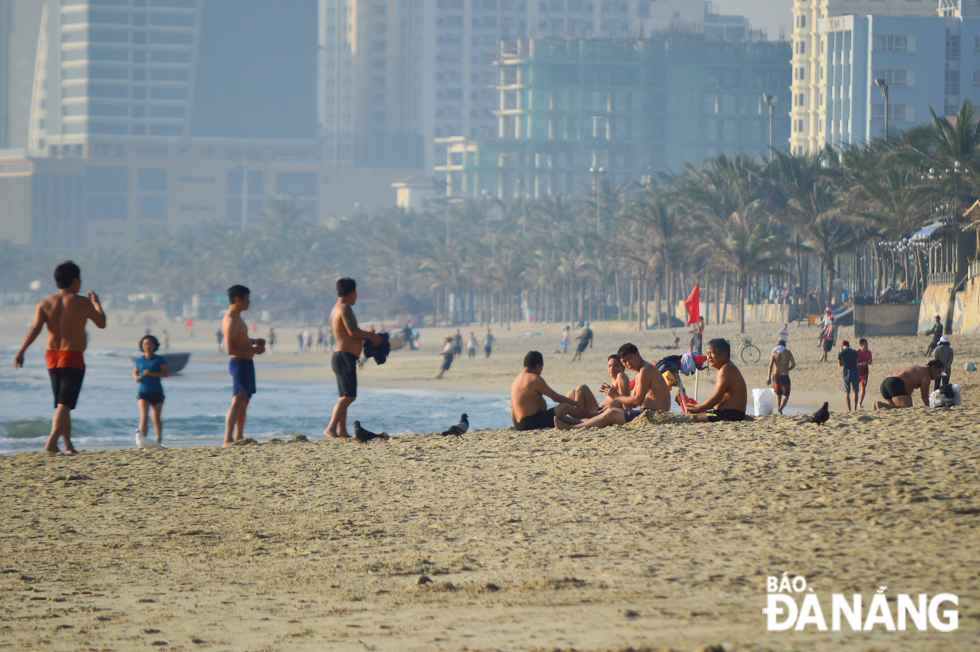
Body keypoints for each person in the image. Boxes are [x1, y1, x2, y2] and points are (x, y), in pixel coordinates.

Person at [14, 261, 107, 453]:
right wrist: (97, 304)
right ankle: (52, 442)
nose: (80, 282)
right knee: (65, 404)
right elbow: (101, 323)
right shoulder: (82, 302)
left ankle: (68, 445)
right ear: (74, 281)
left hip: (52, 357)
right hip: (72, 356)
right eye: (79, 278)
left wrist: (21, 352)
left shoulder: (45, 303)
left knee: (63, 403)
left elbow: (35, 329)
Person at [555, 342, 671, 430]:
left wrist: (615, 396)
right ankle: (574, 422)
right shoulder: (642, 371)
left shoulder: (646, 370)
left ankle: (573, 427)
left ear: (637, 354)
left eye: (629, 359)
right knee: (609, 411)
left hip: (654, 414)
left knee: (610, 412)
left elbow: (636, 401)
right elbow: (635, 401)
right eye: (624, 361)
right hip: (647, 412)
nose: (628, 363)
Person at [325, 278, 382, 440]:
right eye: (356, 294)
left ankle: (341, 430)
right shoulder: (345, 308)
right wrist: (371, 336)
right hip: (344, 357)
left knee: (344, 396)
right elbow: (353, 332)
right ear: (352, 293)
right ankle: (330, 429)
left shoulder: (336, 308)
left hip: (341, 357)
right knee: (348, 397)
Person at [223, 285, 265, 446]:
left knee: (244, 400)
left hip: (247, 362)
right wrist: (254, 349)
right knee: (238, 399)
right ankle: (228, 439)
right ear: (238, 299)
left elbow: (240, 340)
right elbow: (230, 348)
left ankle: (239, 437)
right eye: (247, 298)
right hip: (239, 363)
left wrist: (254, 342)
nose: (249, 302)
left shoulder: (238, 318)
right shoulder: (231, 320)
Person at [510, 351, 588, 431]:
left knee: (560, 418)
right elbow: (555, 397)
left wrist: (517, 428)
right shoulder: (534, 378)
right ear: (538, 366)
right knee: (565, 406)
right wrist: (577, 404)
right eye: (542, 367)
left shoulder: (516, 380)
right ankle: (589, 415)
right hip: (533, 423)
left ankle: (584, 423)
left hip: (524, 424)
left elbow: (512, 407)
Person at [688, 338, 747, 422]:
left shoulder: (727, 368)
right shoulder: (726, 367)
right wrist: (699, 408)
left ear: (723, 354)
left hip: (730, 414)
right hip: (727, 413)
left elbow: (717, 398)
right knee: (698, 414)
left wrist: (697, 407)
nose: (709, 357)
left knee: (693, 419)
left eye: (711, 353)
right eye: (707, 354)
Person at [134, 334, 170, 444]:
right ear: (142, 346)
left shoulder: (159, 359)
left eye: (150, 343)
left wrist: (152, 373)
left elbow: (166, 373)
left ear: (154, 346)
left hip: (156, 392)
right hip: (143, 392)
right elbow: (135, 371)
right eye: (145, 344)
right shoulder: (139, 360)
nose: (147, 346)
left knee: (156, 419)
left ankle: (158, 438)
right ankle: (142, 440)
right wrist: (137, 377)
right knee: (144, 417)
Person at [874, 361, 944, 410]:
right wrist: (930, 408)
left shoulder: (916, 369)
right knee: (907, 409)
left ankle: (876, 406)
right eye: (939, 373)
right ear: (933, 368)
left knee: (896, 408)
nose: (939, 376)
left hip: (885, 383)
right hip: (895, 383)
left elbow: (907, 392)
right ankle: (882, 405)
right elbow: (924, 396)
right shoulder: (926, 374)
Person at [766, 340, 796, 416]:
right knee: (786, 395)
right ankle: (780, 409)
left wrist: (768, 377)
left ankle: (779, 411)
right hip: (784, 376)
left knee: (778, 394)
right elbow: (793, 364)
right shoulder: (787, 353)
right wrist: (787, 369)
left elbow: (770, 366)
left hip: (776, 376)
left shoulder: (774, 353)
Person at [838, 340, 860, 412]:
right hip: (855, 371)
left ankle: (849, 409)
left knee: (847, 391)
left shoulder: (841, 353)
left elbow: (840, 364)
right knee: (855, 391)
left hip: (846, 372)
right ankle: (855, 408)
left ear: (842, 346)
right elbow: (856, 362)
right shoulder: (854, 352)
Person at [856, 338, 873, 409]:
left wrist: (868, 362)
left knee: (863, 387)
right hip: (857, 371)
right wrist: (861, 364)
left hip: (865, 372)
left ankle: (860, 403)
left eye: (867, 344)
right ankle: (855, 403)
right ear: (861, 345)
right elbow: (854, 363)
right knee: (856, 388)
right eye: (866, 344)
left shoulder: (869, 353)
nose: (867, 345)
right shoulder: (857, 352)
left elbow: (870, 361)